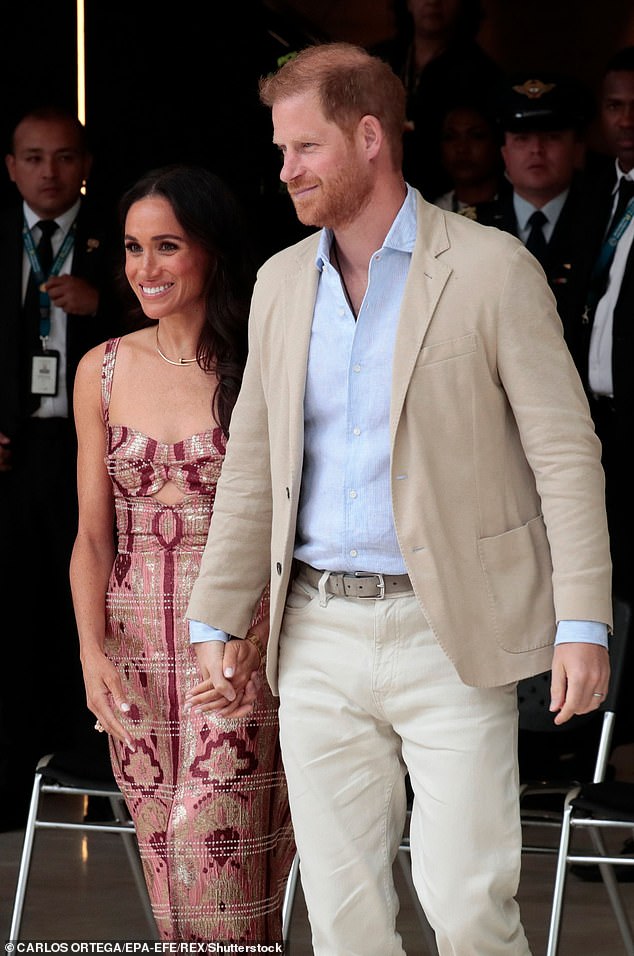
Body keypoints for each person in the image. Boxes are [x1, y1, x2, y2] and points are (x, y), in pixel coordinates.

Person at [184, 42, 612, 956]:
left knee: (466, 906)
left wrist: (583, 620)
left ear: (369, 137)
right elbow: (253, 464)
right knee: (343, 918)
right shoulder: (276, 284)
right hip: (315, 632)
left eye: (303, 148)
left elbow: (566, 454)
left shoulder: (493, 269)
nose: (285, 169)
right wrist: (217, 616)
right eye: (280, 150)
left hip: (448, 632)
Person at [69, 164, 294, 941]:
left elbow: (288, 531)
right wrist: (91, 654)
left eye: (168, 246)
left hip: (230, 654)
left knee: (217, 868)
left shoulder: (263, 364)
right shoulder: (99, 369)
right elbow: (94, 535)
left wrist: (258, 644)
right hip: (133, 657)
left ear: (213, 251)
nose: (145, 269)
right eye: (134, 248)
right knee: (168, 875)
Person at [0, 104, 120, 830]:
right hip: (12, 462)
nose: (50, 172)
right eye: (34, 158)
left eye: (65, 157)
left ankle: (100, 779)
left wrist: (101, 305)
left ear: (86, 165)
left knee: (93, 610)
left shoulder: (116, 243)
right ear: (11, 167)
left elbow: (166, 325)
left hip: (90, 456)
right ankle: (11, 783)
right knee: (13, 618)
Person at [565, 46, 634, 752]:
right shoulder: (596, 195)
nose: (629, 119)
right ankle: (586, 752)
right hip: (597, 427)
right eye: (616, 105)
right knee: (601, 591)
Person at [485, 73, 593, 336]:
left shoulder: (600, 221)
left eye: (552, 136)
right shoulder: (475, 224)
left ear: (577, 150)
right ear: (504, 154)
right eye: (522, 139)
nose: (536, 149)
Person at [374, 0, 503, 200]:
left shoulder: (481, 72)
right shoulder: (376, 60)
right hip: (380, 186)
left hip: (445, 195)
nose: (433, 2)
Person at [431, 95, 506, 218]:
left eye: (476, 136)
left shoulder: (520, 210)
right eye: (450, 137)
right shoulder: (430, 213)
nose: (461, 148)